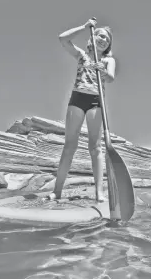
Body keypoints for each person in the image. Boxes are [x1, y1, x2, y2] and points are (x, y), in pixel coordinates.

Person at [46, 17, 116, 202]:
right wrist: (85, 27)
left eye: (107, 39)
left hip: (95, 101)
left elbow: (110, 78)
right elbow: (63, 39)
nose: (103, 40)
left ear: (108, 45)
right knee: (70, 146)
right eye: (100, 36)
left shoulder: (108, 60)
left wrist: (102, 69)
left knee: (95, 147)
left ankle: (99, 193)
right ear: (93, 38)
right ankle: (57, 191)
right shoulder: (81, 56)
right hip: (77, 98)